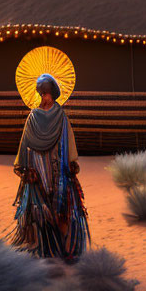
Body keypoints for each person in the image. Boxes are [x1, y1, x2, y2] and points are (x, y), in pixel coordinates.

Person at [11, 73, 90, 261]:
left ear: (53, 94)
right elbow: (25, 143)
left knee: (61, 207)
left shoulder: (61, 117)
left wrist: (71, 162)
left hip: (57, 170)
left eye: (46, 93)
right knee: (39, 210)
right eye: (41, 93)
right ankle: (44, 247)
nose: (44, 97)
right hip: (37, 170)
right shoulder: (33, 116)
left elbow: (69, 139)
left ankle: (64, 247)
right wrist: (24, 167)